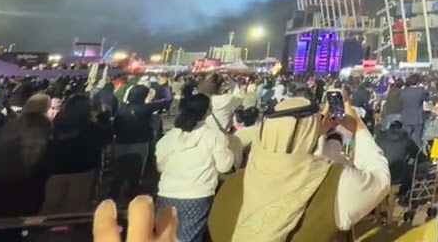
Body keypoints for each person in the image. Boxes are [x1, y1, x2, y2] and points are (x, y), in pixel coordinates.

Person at [206, 96, 391, 242]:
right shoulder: (336, 184)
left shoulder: (232, 184)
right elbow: (380, 179)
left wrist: (316, 130)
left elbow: (292, 149)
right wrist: (357, 127)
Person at [154, 93, 234, 242]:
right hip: (197, 196)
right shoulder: (214, 136)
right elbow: (224, 166)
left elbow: (160, 166)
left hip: (167, 192)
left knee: (164, 237)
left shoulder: (171, 135)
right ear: (207, 112)